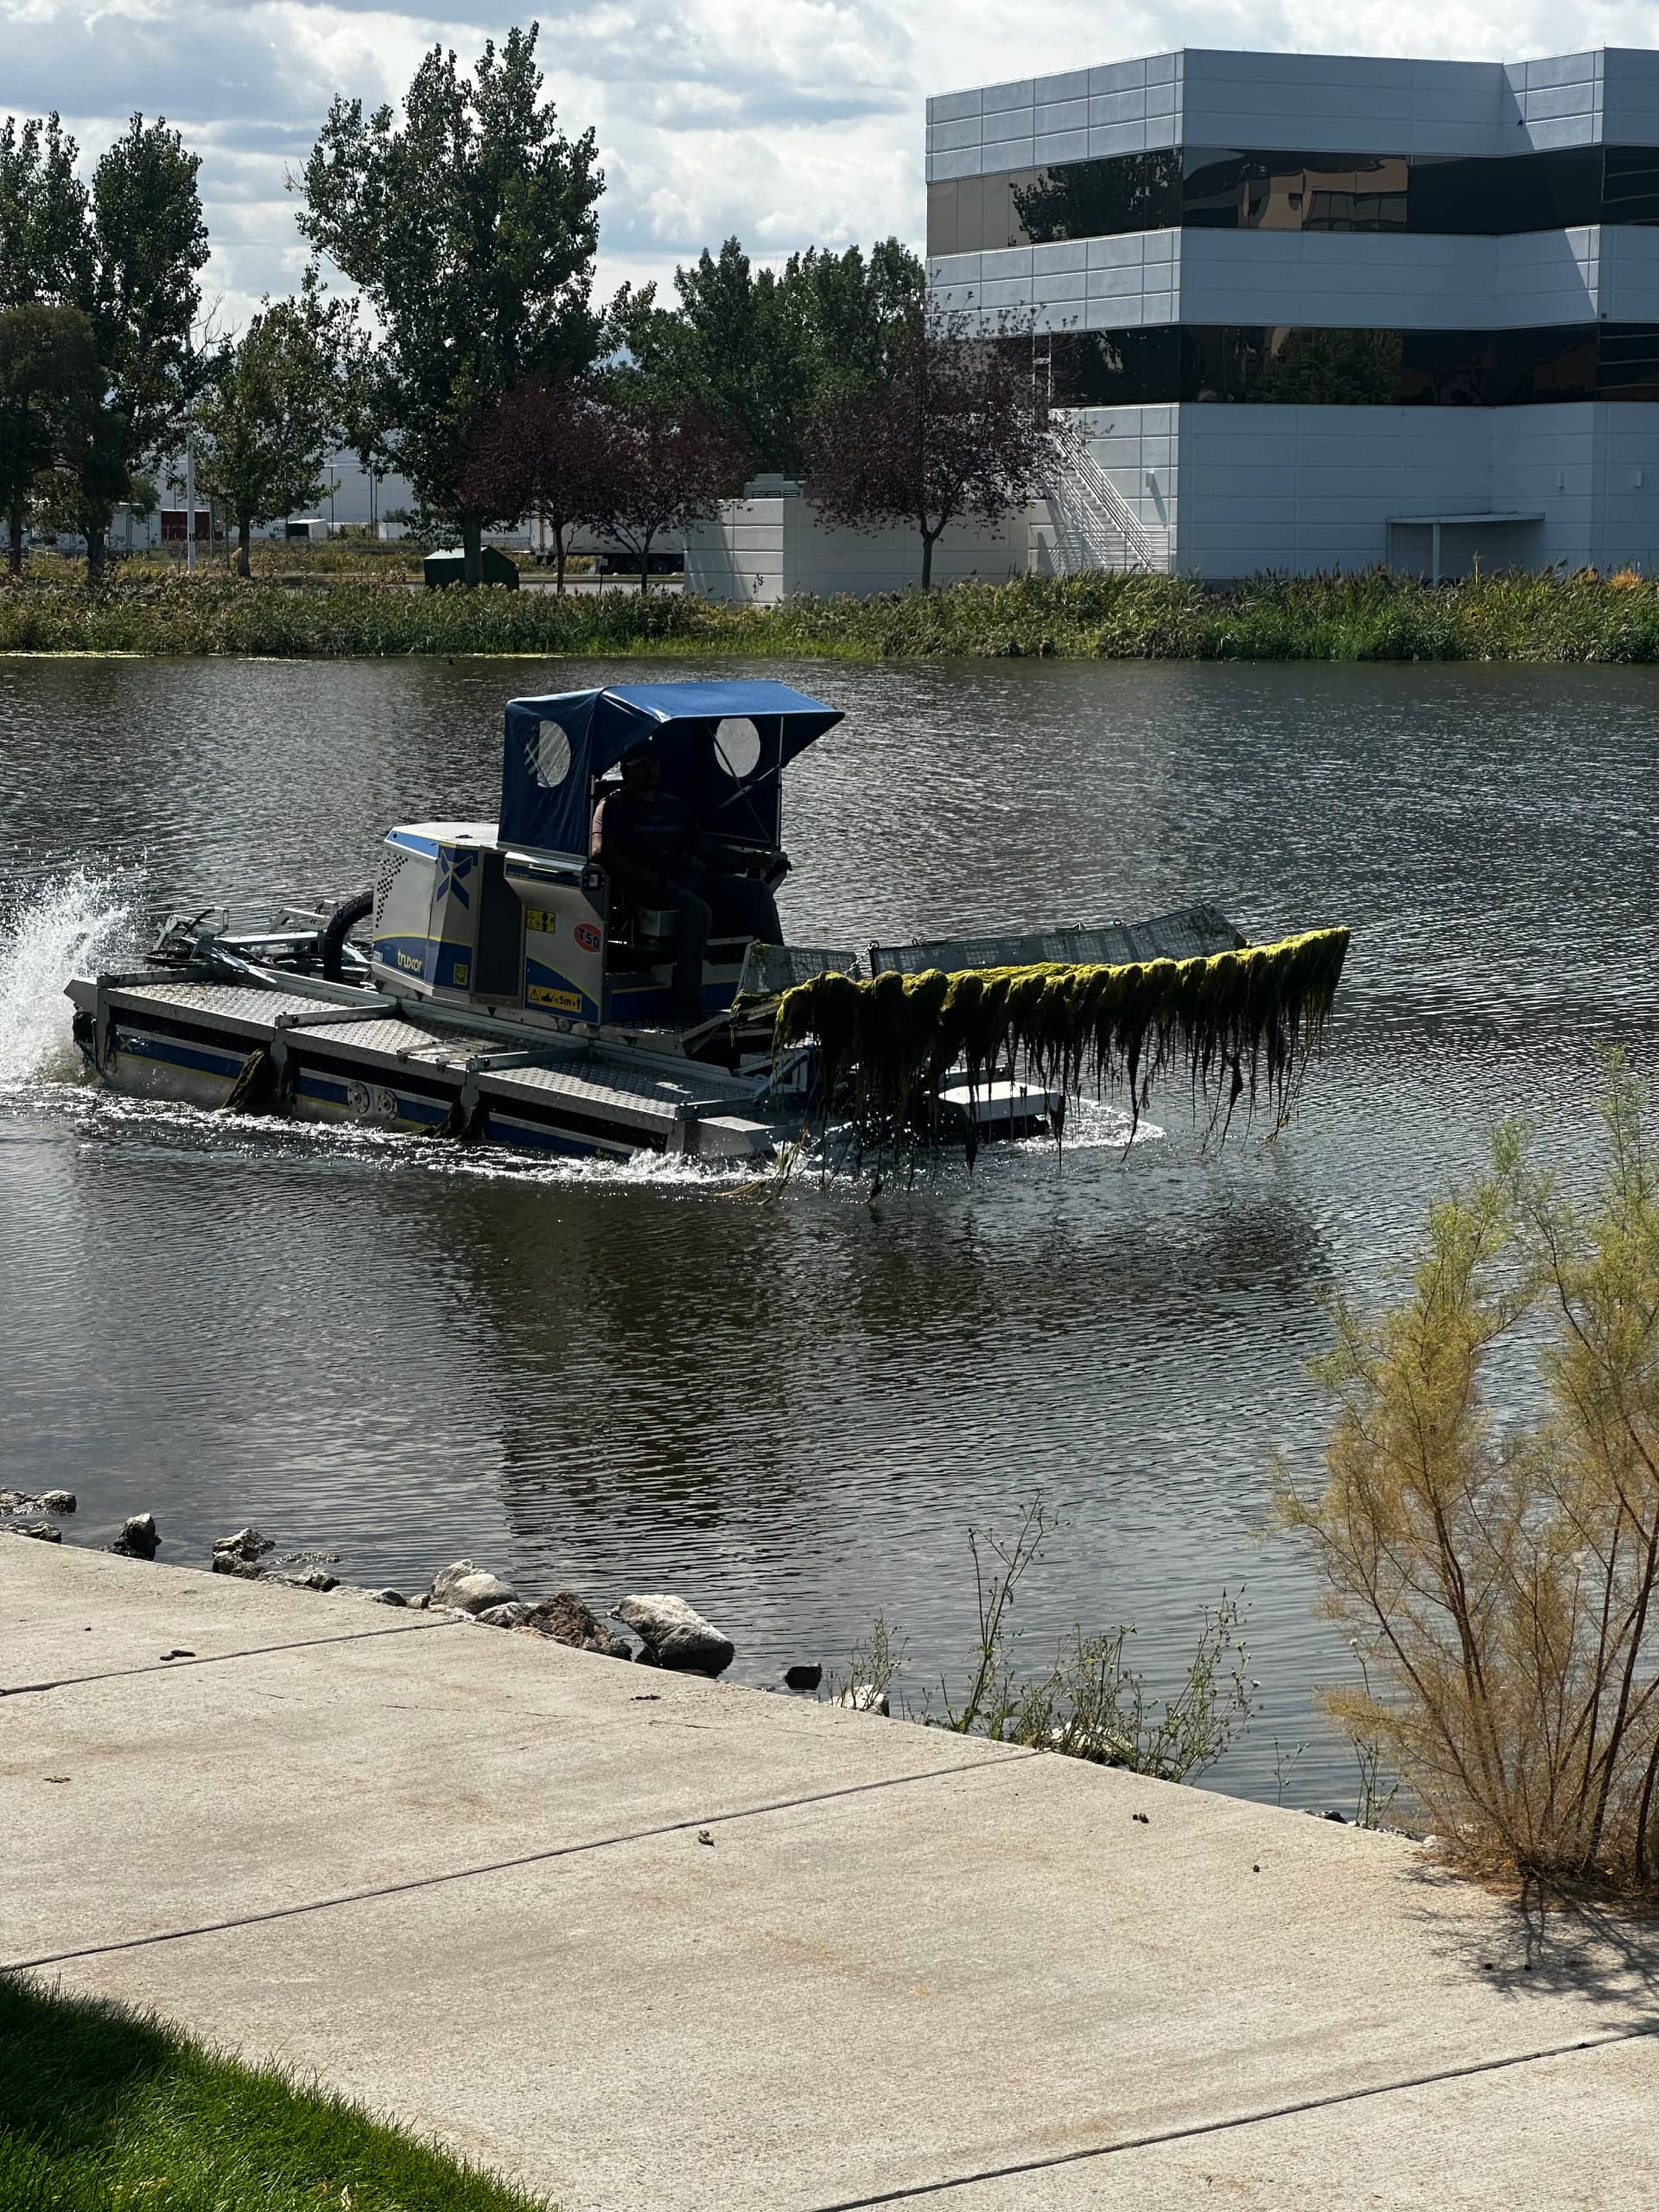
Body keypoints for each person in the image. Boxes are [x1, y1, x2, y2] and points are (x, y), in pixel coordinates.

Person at [592, 744, 782, 1021]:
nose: (651, 769)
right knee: (698, 910)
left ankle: (779, 982)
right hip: (645, 889)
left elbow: (704, 848)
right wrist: (648, 877)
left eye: (654, 763)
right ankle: (686, 1003)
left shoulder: (673, 806)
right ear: (625, 771)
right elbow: (600, 852)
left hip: (686, 881)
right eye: (642, 764)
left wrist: (753, 861)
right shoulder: (612, 806)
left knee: (757, 893)